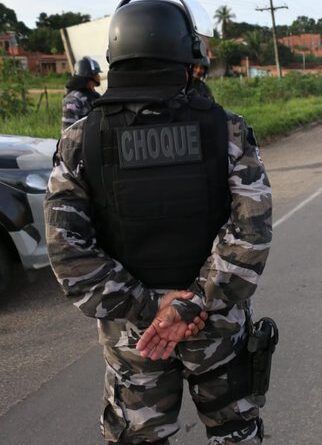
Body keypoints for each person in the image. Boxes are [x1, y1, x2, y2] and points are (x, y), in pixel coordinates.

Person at [45, 1, 273, 444]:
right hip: (216, 330)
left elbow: (67, 252)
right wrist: (187, 308)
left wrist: (152, 309)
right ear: (187, 56)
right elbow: (250, 237)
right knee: (236, 433)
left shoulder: (80, 140)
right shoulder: (227, 131)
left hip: (138, 338)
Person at [62, 56, 102, 130]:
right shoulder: (73, 99)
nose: (99, 76)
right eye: (97, 74)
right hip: (80, 140)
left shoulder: (96, 96)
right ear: (89, 76)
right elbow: (68, 129)